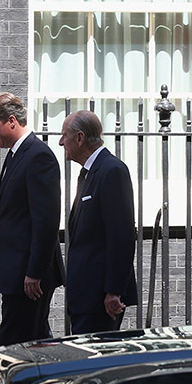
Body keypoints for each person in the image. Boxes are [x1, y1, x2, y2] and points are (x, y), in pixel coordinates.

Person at [0, 93, 64, 345]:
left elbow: (46, 221)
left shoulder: (38, 156)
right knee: (32, 342)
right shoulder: (16, 154)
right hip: (16, 272)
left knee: (16, 344)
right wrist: (3, 264)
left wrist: (34, 272)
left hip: (30, 278)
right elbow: (14, 219)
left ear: (12, 121)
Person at [58, 110, 137, 334]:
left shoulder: (111, 171)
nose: (61, 141)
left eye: (65, 135)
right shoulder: (90, 172)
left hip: (100, 298)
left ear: (80, 138)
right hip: (85, 295)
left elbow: (121, 236)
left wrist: (113, 291)